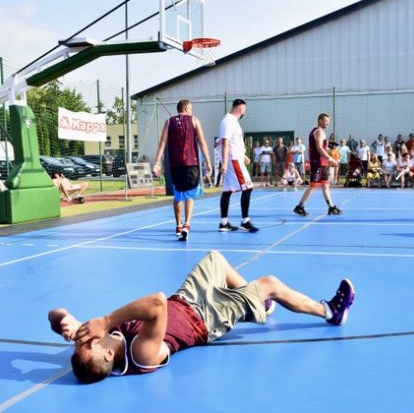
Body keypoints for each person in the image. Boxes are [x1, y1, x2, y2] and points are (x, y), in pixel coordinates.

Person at [48, 250, 356, 383]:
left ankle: (255, 305)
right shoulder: (140, 355)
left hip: (186, 298)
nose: (84, 337)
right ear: (104, 352)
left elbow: (55, 313)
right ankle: (330, 311)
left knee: (216, 260)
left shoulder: (102, 344)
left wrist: (64, 321)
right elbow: (156, 303)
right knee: (271, 283)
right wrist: (104, 319)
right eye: (86, 342)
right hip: (206, 318)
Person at [153, 99, 212, 241]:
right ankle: (187, 224)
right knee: (189, 195)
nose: (192, 111)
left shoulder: (168, 122)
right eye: (190, 108)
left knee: (178, 195)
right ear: (185, 109)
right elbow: (202, 142)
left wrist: (157, 162)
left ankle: (178, 225)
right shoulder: (195, 120)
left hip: (175, 164)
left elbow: (162, 142)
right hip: (191, 163)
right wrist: (208, 162)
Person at [218, 99, 259, 232]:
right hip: (233, 160)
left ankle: (224, 223)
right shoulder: (228, 121)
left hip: (236, 158)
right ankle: (245, 221)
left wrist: (244, 156)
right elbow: (225, 142)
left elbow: (233, 143)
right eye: (244, 110)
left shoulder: (232, 122)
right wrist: (224, 163)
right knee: (248, 187)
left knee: (228, 190)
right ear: (240, 109)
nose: (244, 113)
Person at [293, 114, 342, 216]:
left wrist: (331, 150)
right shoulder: (319, 132)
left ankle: (331, 207)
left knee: (325, 185)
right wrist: (330, 159)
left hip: (321, 163)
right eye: (325, 121)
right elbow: (319, 148)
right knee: (313, 185)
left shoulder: (317, 131)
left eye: (328, 121)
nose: (327, 123)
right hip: (318, 163)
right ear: (320, 121)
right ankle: (299, 206)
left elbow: (321, 148)